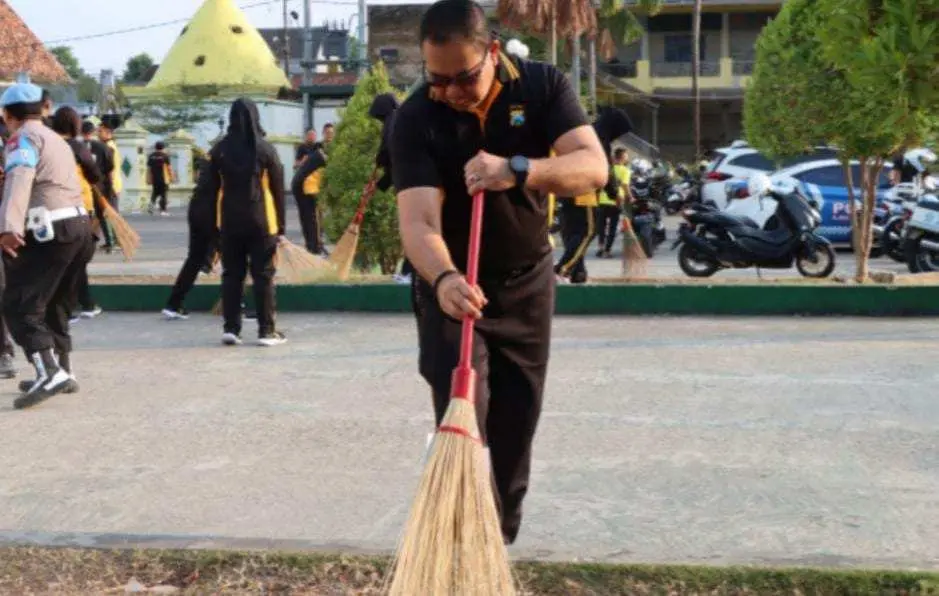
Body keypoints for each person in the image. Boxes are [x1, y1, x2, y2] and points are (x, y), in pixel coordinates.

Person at [389, 0, 607, 544]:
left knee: (517, 421)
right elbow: (418, 221)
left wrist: (519, 170)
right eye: (435, 79)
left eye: (461, 78)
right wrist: (444, 280)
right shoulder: (416, 116)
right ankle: (457, 535)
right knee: (465, 411)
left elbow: (592, 167)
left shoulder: (541, 87)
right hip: (452, 289)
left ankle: (499, 537)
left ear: (491, 51)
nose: (449, 92)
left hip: (526, 283)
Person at [0, 83, 95, 409]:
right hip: (80, 227)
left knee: (18, 302)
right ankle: (62, 370)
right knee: (54, 301)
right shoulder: (55, 137)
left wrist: (8, 228)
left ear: (7, 115)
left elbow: (19, 178)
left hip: (51, 229)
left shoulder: (22, 138)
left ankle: (49, 371)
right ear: (44, 108)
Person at [206, 97, 287, 347]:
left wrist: (213, 228)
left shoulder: (219, 150)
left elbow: (209, 191)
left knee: (232, 275)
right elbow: (277, 190)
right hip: (261, 221)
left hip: (229, 221)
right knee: (263, 276)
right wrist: (280, 227)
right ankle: (266, 331)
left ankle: (231, 328)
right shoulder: (265, 150)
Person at [50, 107, 104, 322]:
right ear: (75, 124)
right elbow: (95, 174)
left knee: (64, 260)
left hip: (52, 209)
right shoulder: (76, 147)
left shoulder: (48, 145)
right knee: (78, 260)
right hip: (79, 209)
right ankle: (70, 307)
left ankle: (78, 305)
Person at [163, 154, 220, 320]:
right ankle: (237, 306)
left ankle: (173, 304)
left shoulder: (210, 157)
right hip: (214, 211)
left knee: (194, 259)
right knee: (235, 260)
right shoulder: (232, 155)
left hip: (196, 207)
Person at [81, 120, 117, 253]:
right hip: (100, 185)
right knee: (102, 214)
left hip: (81, 186)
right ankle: (110, 242)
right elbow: (110, 169)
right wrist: (110, 187)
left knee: (83, 214)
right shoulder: (104, 148)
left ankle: (83, 243)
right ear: (93, 132)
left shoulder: (75, 147)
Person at [289, 134, 327, 255]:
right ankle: (314, 248)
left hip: (300, 186)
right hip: (305, 189)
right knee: (311, 218)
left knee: (309, 218)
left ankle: (312, 246)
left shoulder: (315, 158)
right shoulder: (319, 159)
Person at [595, 147, 631, 257]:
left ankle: (600, 247)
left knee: (601, 226)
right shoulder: (625, 170)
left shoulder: (607, 168)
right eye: (626, 156)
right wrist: (630, 196)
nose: (627, 158)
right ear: (623, 157)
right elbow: (625, 186)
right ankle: (607, 251)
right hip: (616, 201)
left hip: (602, 200)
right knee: (612, 228)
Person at [146, 141, 174, 216]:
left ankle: (151, 208)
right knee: (163, 194)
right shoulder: (165, 156)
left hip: (154, 178)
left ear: (155, 147)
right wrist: (172, 177)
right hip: (164, 179)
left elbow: (149, 168)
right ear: (163, 147)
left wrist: (148, 179)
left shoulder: (151, 156)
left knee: (154, 193)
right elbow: (169, 168)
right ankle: (163, 210)